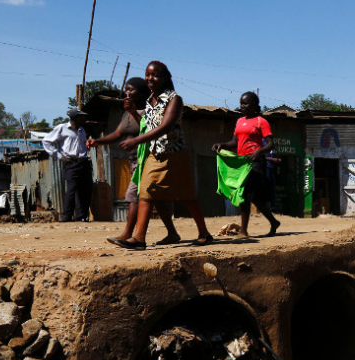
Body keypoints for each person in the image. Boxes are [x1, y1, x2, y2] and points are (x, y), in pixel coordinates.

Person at [113, 61, 212, 250]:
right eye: (147, 74)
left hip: (175, 154)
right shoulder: (150, 100)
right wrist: (133, 112)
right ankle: (139, 239)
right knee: (146, 190)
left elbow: (165, 126)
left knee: (187, 196)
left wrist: (137, 140)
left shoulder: (174, 99)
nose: (150, 78)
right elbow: (149, 124)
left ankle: (204, 234)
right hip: (155, 153)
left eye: (155, 75)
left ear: (165, 78)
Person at [86, 77, 179, 245]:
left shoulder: (150, 110)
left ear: (142, 92)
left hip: (149, 160)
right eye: (126, 90)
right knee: (158, 199)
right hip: (134, 160)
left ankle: (129, 234)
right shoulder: (126, 113)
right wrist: (97, 141)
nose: (127, 93)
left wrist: (134, 113)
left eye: (131, 90)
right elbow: (118, 134)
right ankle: (172, 233)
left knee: (133, 194)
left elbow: (149, 130)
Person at [211, 91, 281, 239]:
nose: (242, 106)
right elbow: (234, 143)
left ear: (254, 105)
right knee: (256, 198)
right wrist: (222, 145)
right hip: (242, 163)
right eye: (241, 103)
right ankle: (274, 222)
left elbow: (270, 144)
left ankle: (243, 231)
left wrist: (259, 151)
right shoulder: (239, 121)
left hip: (255, 163)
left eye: (245, 103)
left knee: (245, 193)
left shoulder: (261, 122)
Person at [43, 108, 92, 222]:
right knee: (72, 188)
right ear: (74, 118)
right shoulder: (62, 128)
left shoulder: (82, 130)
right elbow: (46, 141)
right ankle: (67, 216)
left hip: (83, 162)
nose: (83, 118)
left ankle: (81, 217)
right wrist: (59, 156)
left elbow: (81, 144)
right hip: (71, 163)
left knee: (85, 189)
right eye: (80, 116)